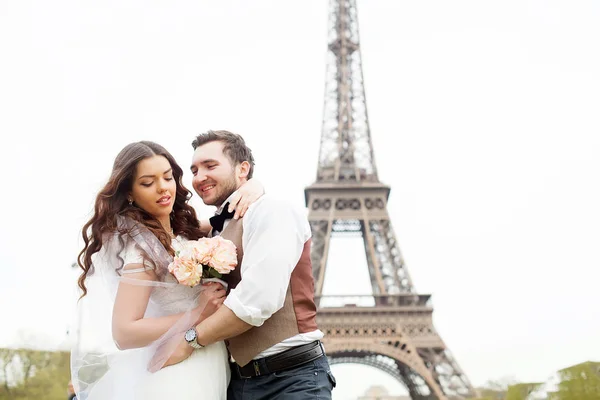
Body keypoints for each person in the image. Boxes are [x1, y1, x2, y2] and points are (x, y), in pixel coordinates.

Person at [70, 140, 264, 400]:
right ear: (129, 193)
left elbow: (225, 218)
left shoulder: (184, 233)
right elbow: (124, 333)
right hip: (180, 370)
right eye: (147, 183)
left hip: (206, 362)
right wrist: (198, 313)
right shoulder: (142, 250)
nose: (162, 188)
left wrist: (254, 185)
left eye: (167, 177)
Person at [162, 130, 336, 399]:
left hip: (292, 380)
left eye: (210, 166)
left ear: (243, 169)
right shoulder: (214, 231)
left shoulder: (273, 211)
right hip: (239, 384)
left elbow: (258, 299)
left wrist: (190, 340)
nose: (199, 177)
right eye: (194, 170)